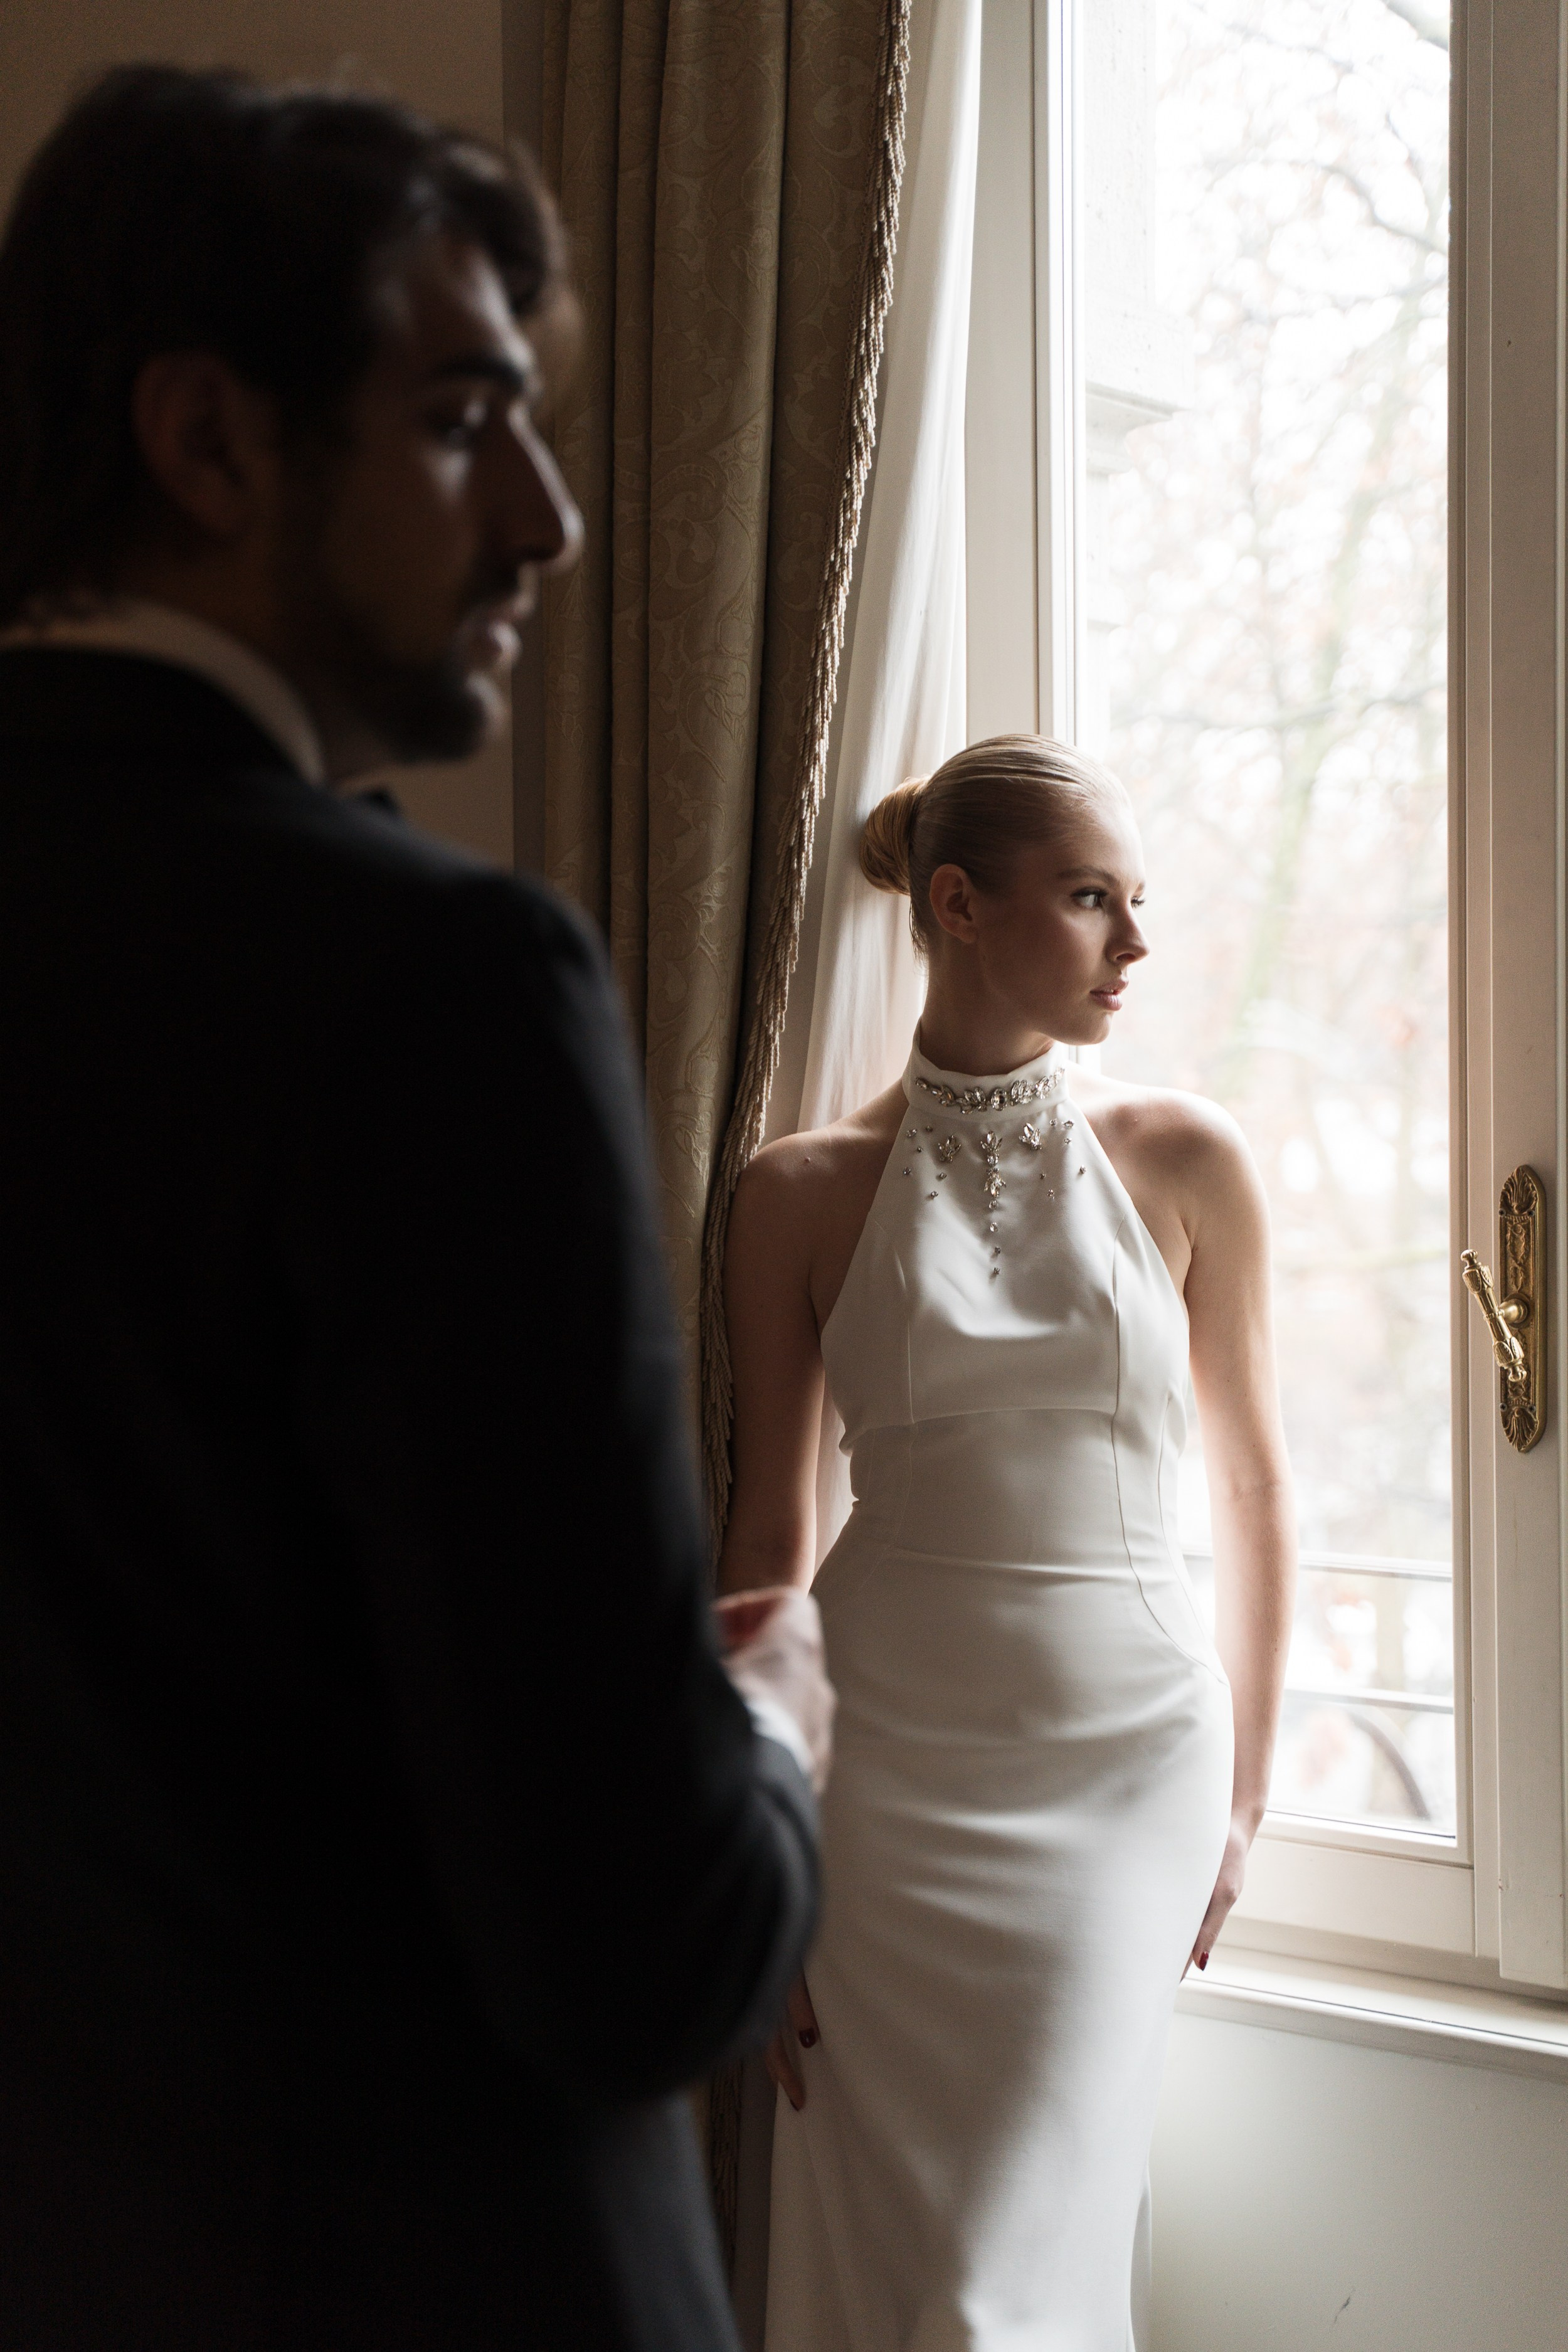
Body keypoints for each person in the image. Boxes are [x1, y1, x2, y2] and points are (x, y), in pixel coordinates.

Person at [0, 65, 830, 2352]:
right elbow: (639, 1952)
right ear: (211, 440)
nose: (555, 518)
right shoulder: (433, 985)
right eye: (470, 416)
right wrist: (772, 1738)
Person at [719, 734, 1296, 2349]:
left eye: (1137, 902)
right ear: (957, 906)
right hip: (878, 1790)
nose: (1134, 943)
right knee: (901, 2277)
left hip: (1123, 1774)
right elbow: (770, 1532)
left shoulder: (1187, 1159)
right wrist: (760, 1854)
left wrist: (1245, 1797)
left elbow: (1252, 1493)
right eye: (1093, 899)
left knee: (1001, 2289)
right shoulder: (793, 1193)